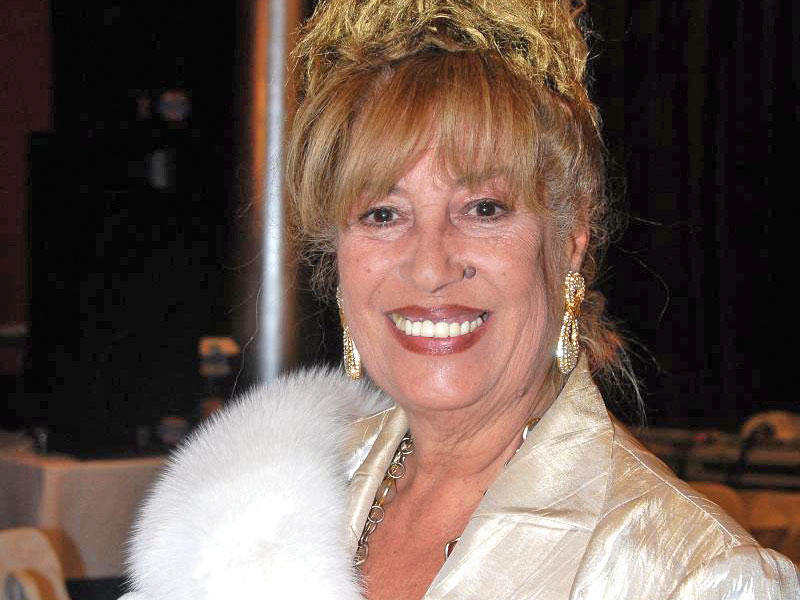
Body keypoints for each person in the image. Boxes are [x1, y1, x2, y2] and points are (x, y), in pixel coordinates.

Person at [120, 1, 799, 599]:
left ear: (569, 241)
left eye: (483, 208)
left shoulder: (694, 576)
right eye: (383, 213)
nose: (430, 267)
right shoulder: (244, 515)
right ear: (337, 260)